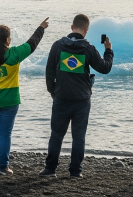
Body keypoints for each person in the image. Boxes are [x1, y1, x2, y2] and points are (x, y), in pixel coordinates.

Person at [41, 14, 113, 178]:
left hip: (61, 97)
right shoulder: (89, 48)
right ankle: (75, 171)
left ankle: (50, 169)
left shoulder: (58, 45)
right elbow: (105, 68)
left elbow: (49, 71)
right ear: (86, 30)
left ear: (71, 27)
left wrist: (53, 91)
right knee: (78, 137)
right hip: (81, 99)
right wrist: (108, 50)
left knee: (57, 134)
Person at [0, 18, 48, 174]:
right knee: (5, 134)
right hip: (9, 101)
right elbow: (32, 44)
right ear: (8, 39)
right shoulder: (14, 54)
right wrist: (41, 28)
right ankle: (3, 167)